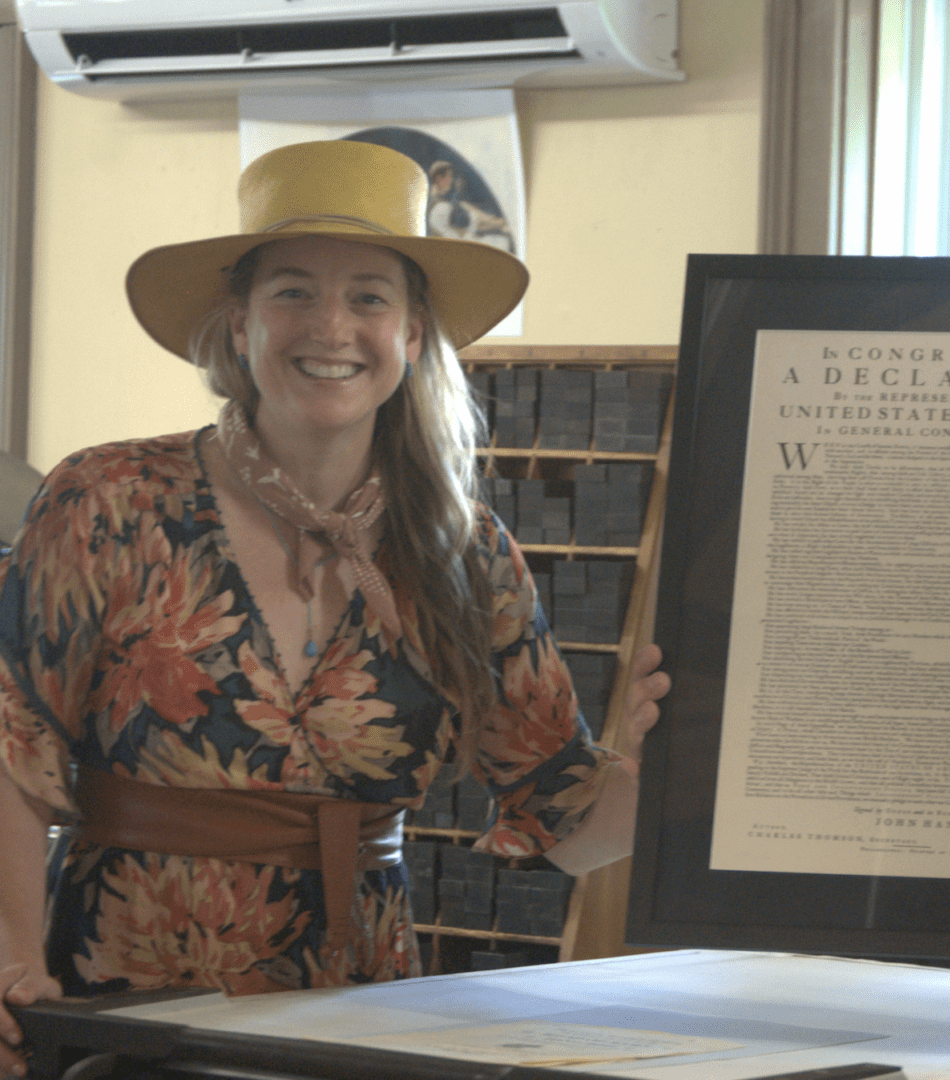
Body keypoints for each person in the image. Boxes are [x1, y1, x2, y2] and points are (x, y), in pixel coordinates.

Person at [0, 139, 669, 1076]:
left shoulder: (465, 553)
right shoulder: (108, 499)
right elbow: (13, 746)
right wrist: (12, 965)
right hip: (125, 998)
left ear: (410, 330)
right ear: (238, 325)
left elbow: (564, 826)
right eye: (292, 293)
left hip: (358, 1013)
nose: (331, 326)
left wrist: (652, 772)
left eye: (367, 296)